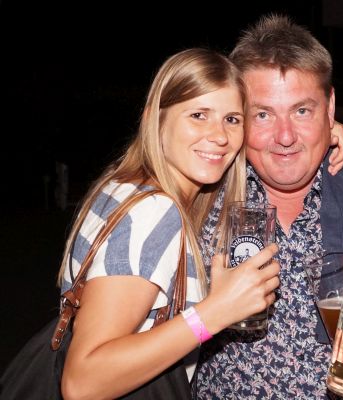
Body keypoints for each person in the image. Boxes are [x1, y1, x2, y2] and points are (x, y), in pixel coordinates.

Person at [194, 14, 343, 399]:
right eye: (262, 114)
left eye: (302, 111)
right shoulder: (205, 184)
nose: (285, 136)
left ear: (330, 107)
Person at [56, 48, 283, 399]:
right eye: (198, 115)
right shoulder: (154, 210)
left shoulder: (123, 185)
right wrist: (215, 313)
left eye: (232, 119)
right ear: (155, 119)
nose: (220, 135)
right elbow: (82, 382)